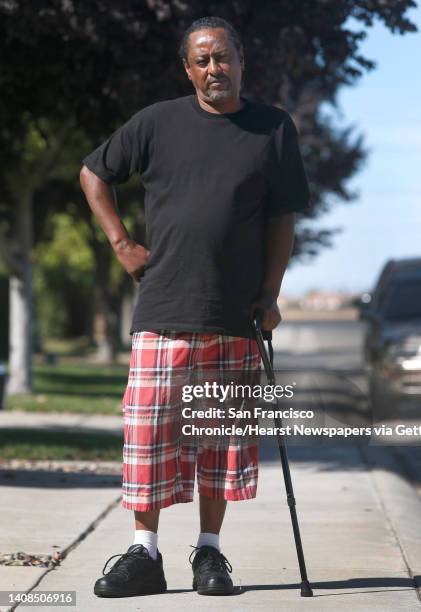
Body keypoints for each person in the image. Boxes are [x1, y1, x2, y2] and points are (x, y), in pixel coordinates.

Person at [80, 15, 310, 599]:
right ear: (188, 69)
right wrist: (123, 244)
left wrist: (270, 294)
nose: (215, 68)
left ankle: (209, 554)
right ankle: (144, 554)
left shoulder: (272, 128)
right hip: (163, 309)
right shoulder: (156, 122)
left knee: (220, 443)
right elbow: (93, 173)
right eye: (202, 60)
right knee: (150, 436)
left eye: (223, 56)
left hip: (236, 316)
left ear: (241, 59)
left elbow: (283, 217)